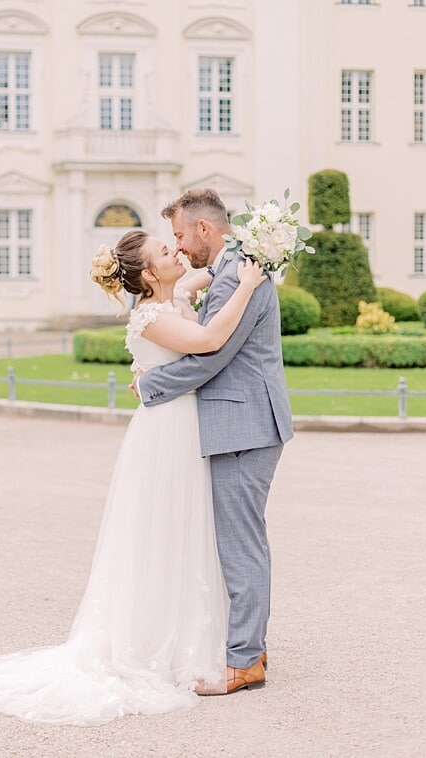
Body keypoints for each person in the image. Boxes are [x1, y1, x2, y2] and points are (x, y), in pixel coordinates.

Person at [0, 229, 267, 724]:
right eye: (167, 251)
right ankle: (155, 642)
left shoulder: (176, 294)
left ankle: (193, 635)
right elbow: (207, 341)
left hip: (186, 430)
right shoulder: (151, 317)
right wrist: (248, 286)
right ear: (147, 276)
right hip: (165, 437)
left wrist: (258, 249)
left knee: (187, 532)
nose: (176, 251)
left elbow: (214, 268)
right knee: (161, 535)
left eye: (174, 243)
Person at [134, 188, 293, 696]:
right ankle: (249, 647)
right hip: (240, 423)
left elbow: (209, 357)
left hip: (244, 426)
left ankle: (246, 661)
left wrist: (147, 386)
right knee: (236, 540)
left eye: (180, 234)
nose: (178, 245)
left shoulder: (237, 278)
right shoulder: (231, 272)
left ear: (205, 229)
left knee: (239, 543)